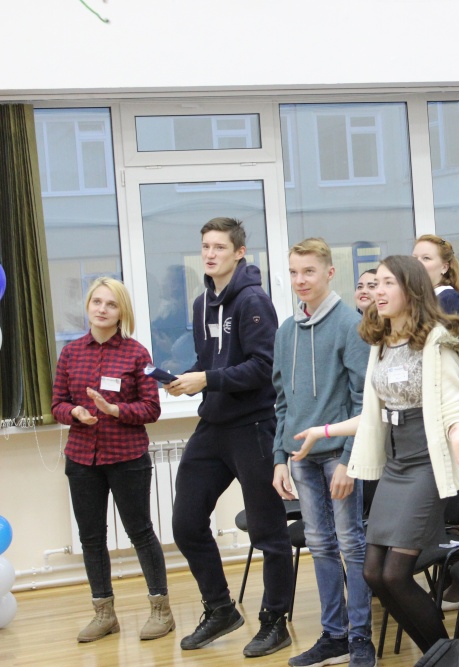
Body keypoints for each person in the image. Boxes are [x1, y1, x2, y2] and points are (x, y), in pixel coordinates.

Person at [293, 255, 459, 653]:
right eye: (374, 284)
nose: (376, 292)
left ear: (411, 289)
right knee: (373, 574)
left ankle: (449, 657)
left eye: (387, 284)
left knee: (396, 574)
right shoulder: (381, 343)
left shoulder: (437, 341)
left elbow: (453, 405)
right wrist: (323, 430)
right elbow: (373, 414)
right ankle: (438, 657)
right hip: (395, 465)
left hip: (425, 463)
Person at [166, 217, 295, 657]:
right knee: (186, 523)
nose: (210, 254)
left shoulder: (253, 300)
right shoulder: (202, 302)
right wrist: (188, 379)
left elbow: (264, 367)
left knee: (268, 531)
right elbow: (212, 361)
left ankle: (275, 621)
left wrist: (207, 379)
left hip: (254, 426)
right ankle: (221, 608)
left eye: (219, 247)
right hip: (214, 425)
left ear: (239, 253)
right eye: (205, 246)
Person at [270, 239, 375, 667]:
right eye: (294, 272)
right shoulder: (286, 331)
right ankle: (334, 635)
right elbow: (281, 401)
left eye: (309, 271)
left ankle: (361, 637)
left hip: (337, 456)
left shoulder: (351, 325)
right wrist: (279, 457)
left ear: (330, 273)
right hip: (301, 458)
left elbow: (364, 401)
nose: (301, 280)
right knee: (320, 545)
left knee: (352, 544)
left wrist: (349, 459)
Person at [52, 277, 173, 643]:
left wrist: (115, 410)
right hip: (81, 459)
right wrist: (75, 412)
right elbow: (57, 404)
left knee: (140, 532)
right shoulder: (71, 353)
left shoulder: (137, 354)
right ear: (88, 306)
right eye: (97, 302)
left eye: (111, 304)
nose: (102, 309)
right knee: (91, 537)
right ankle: (104, 614)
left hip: (127, 458)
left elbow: (151, 408)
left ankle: (161, 611)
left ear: (122, 312)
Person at [412, 234, 459, 435]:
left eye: (426, 258)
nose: (418, 264)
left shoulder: (448, 299)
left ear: (444, 267)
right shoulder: (416, 301)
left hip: (449, 401)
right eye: (414, 258)